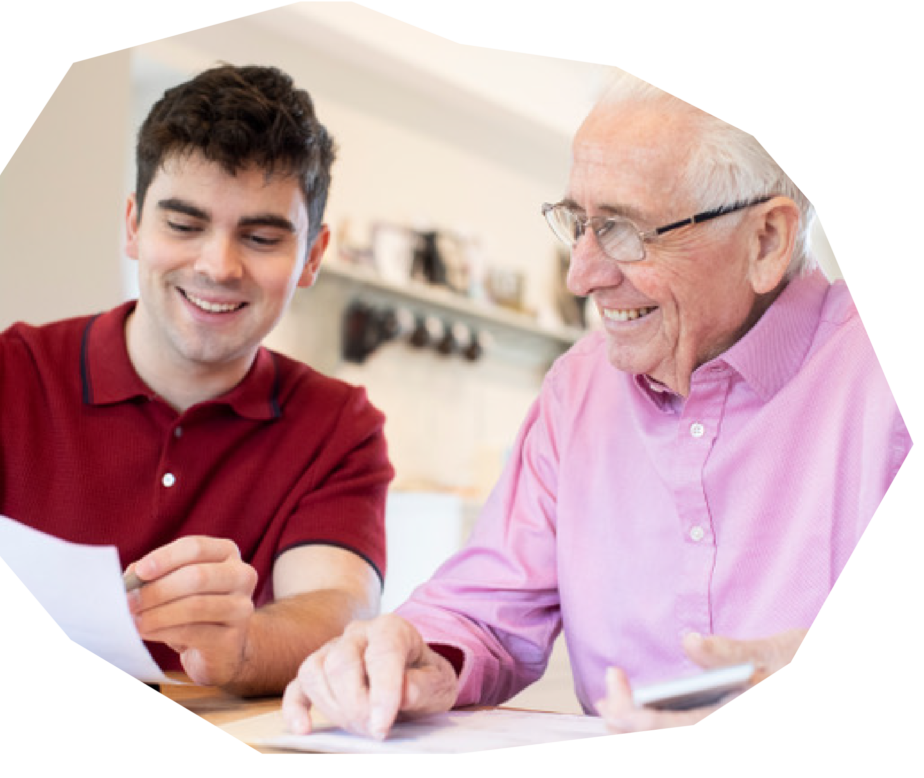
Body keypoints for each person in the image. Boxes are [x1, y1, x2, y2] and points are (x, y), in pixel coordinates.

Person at [282, 70, 912, 736]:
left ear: (766, 241)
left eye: (623, 230)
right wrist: (414, 653)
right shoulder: (576, 387)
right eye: (579, 223)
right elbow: (482, 613)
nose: (582, 275)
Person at [0, 64, 394, 696]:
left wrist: (243, 645)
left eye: (259, 237)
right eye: (183, 225)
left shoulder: (340, 427)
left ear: (311, 256)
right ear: (133, 226)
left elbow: (337, 605)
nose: (218, 266)